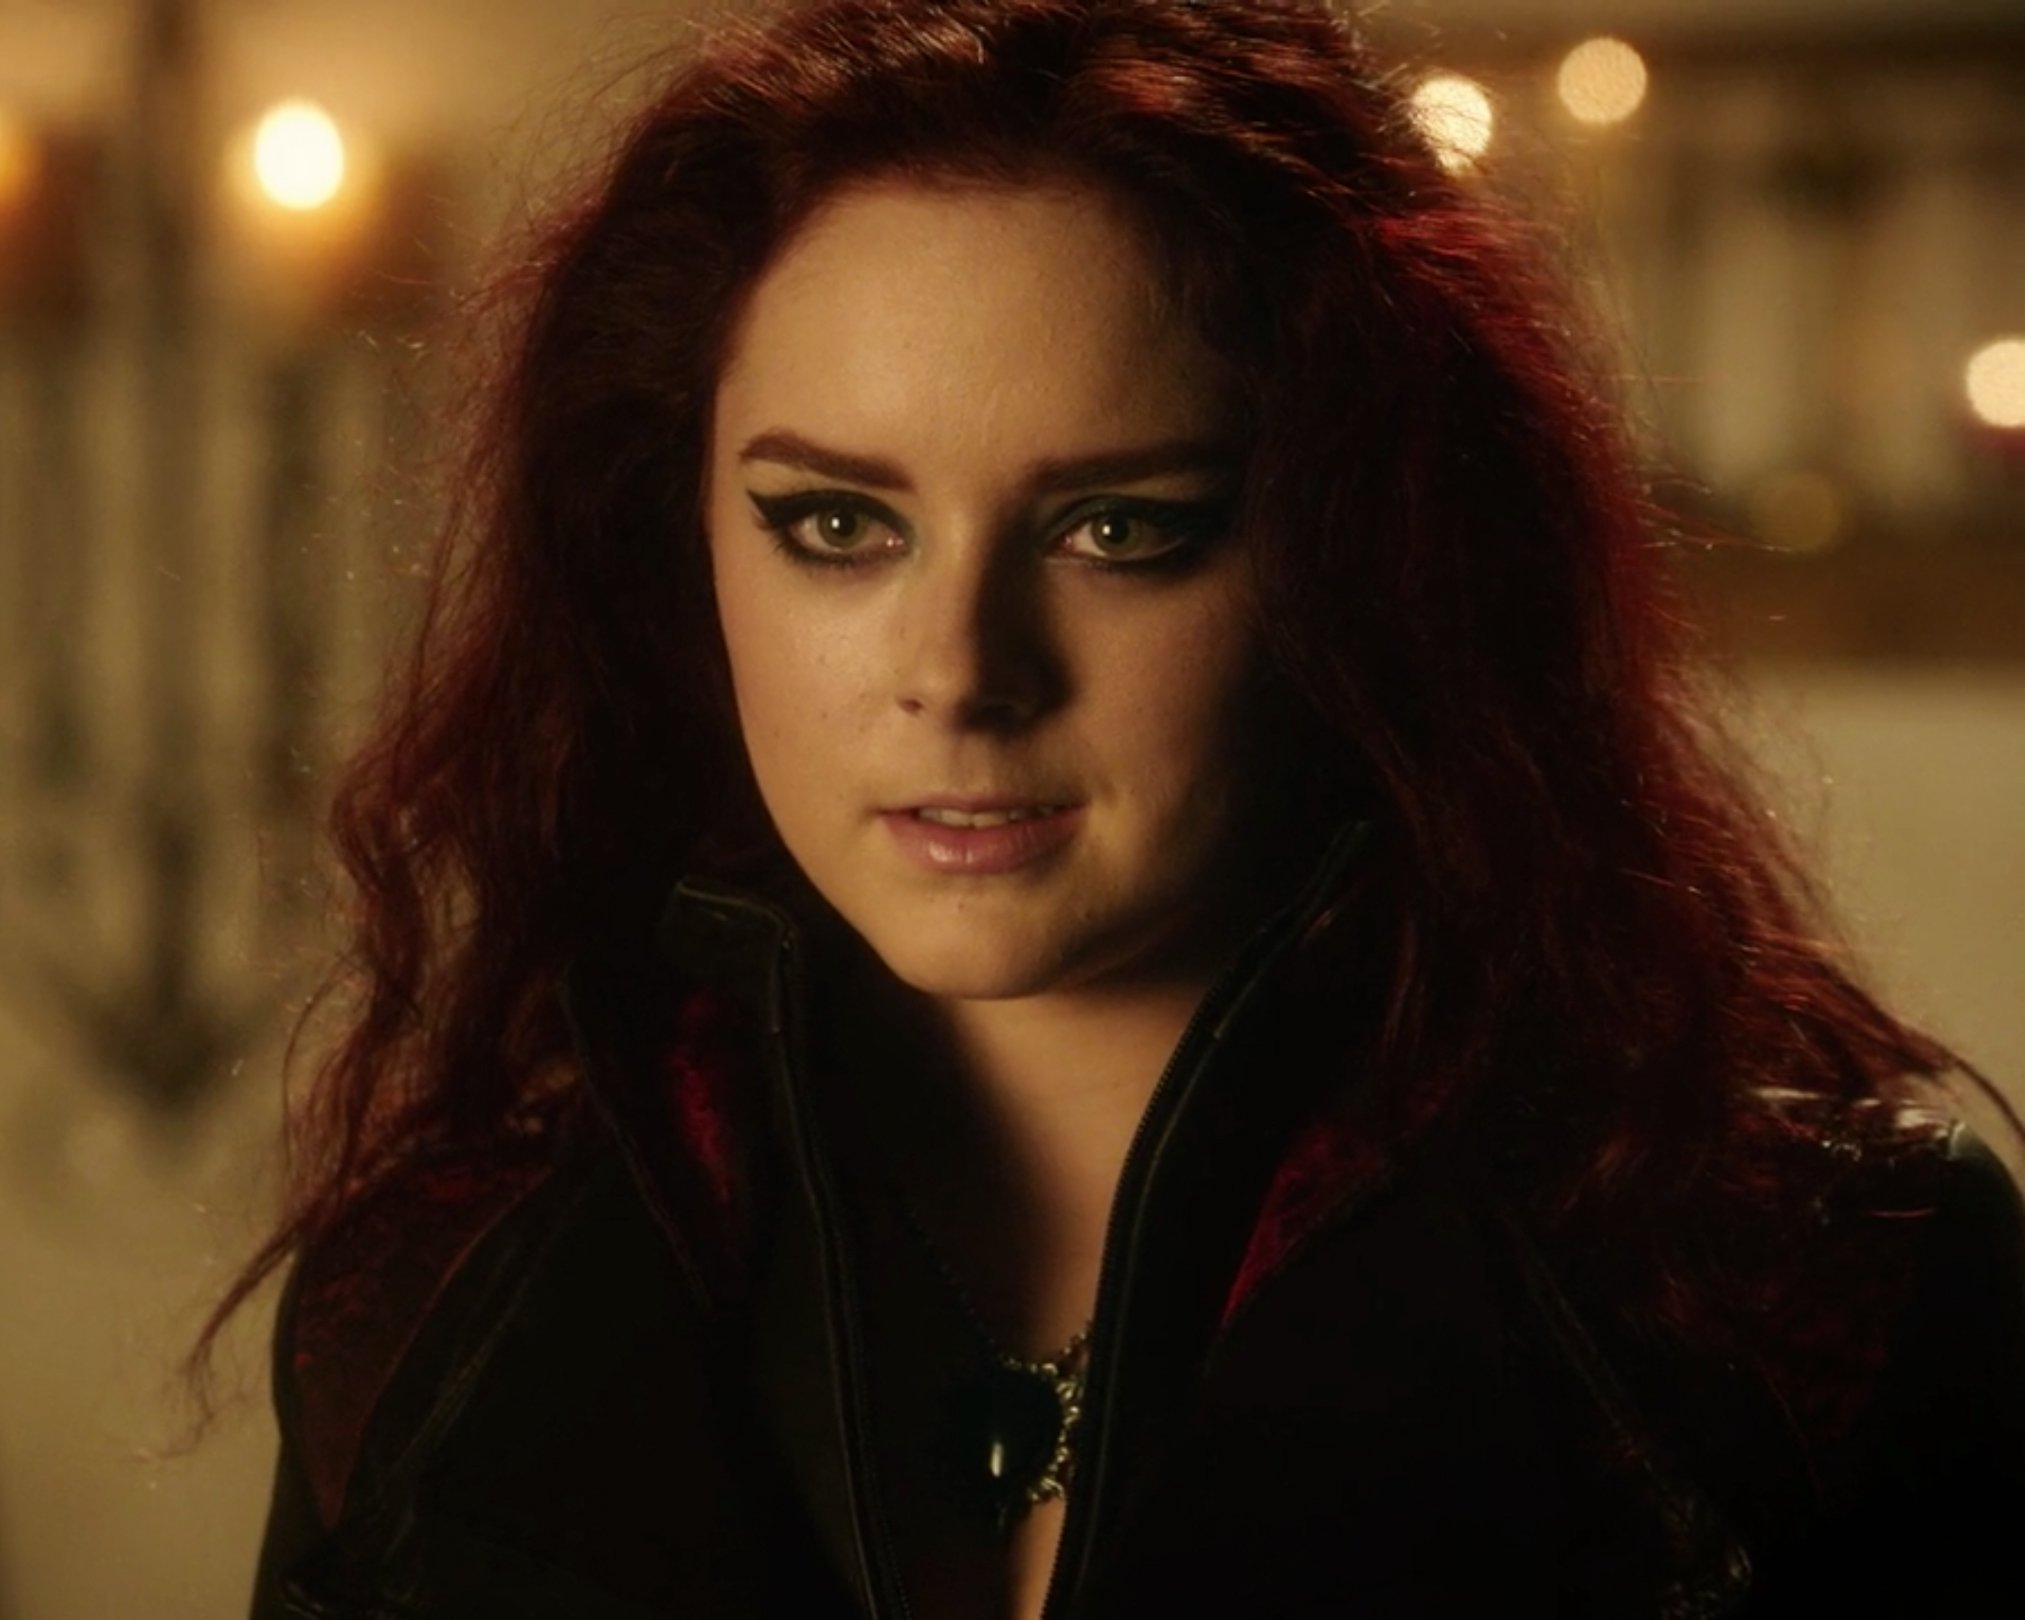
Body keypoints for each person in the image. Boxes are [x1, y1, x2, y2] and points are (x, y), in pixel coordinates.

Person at [234, 1, 2025, 1614]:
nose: (958, 670)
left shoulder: (1806, 1304)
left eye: (1115, 527)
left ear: (1360, 559)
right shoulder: (427, 1305)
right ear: (677, 546)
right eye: (837, 525)